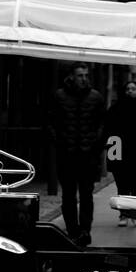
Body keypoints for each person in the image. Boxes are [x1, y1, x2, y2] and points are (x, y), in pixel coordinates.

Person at [47, 63, 106, 246]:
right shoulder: (59, 96)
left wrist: (95, 145)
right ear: (72, 76)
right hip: (67, 155)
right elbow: (50, 122)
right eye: (80, 75)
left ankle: (85, 231)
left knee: (87, 195)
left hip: (88, 156)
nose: (83, 79)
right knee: (69, 196)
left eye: (85, 75)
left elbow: (102, 125)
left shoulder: (95, 97)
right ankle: (72, 230)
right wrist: (60, 142)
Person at [104, 79, 136, 230]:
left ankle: (135, 213)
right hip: (119, 152)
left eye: (133, 89)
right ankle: (123, 213)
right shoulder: (115, 109)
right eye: (128, 89)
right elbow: (109, 132)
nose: (130, 91)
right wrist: (111, 155)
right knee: (122, 184)